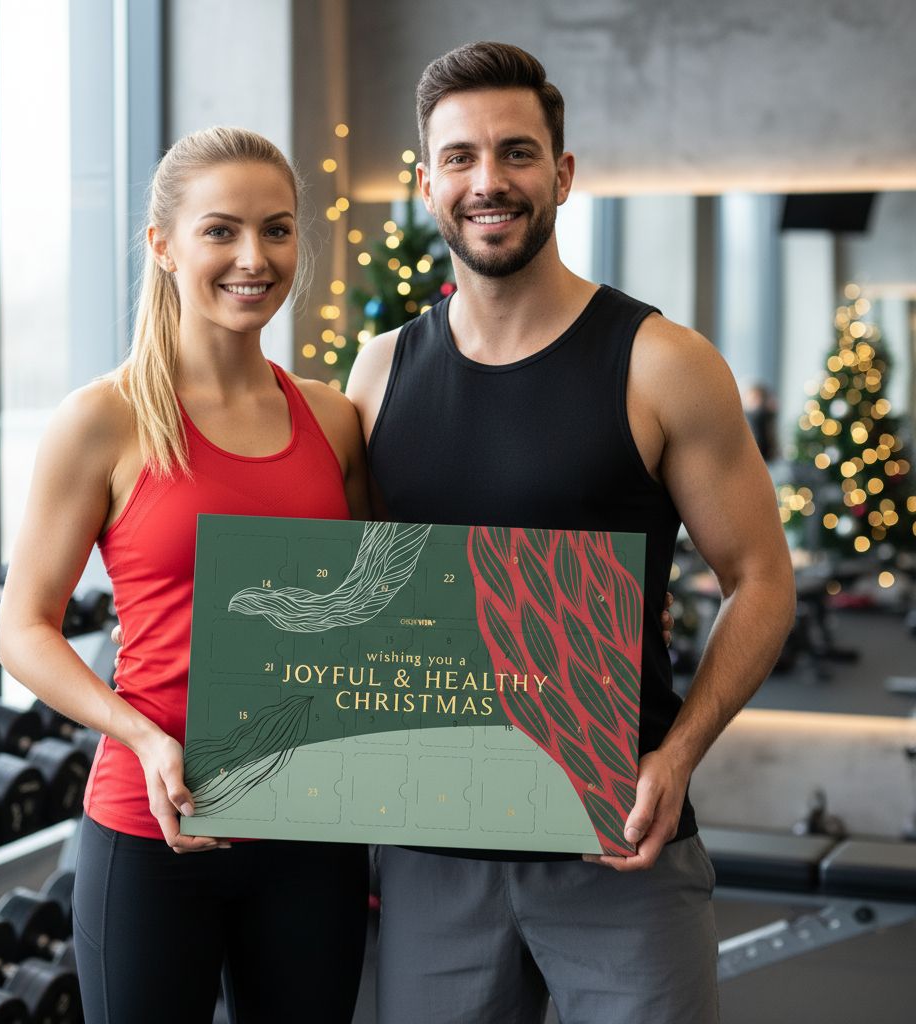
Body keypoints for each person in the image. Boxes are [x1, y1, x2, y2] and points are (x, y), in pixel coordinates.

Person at [346, 42, 796, 1024]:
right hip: (430, 854)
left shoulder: (662, 363)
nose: (488, 181)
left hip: (619, 838)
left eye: (516, 152)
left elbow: (761, 578)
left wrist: (676, 757)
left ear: (561, 173)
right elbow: (369, 602)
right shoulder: (378, 374)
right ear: (427, 186)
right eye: (459, 157)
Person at [0, 126, 370, 1024]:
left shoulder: (334, 419)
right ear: (162, 245)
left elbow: (373, 608)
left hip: (312, 826)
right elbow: (23, 629)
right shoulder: (104, 419)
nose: (254, 258)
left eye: (277, 230)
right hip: (154, 823)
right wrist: (143, 737)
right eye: (221, 231)